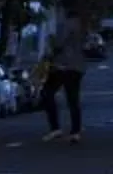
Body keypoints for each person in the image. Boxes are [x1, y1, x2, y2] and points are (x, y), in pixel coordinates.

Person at [37, 13, 87, 144]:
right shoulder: (81, 24)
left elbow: (58, 44)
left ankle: (56, 128)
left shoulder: (66, 23)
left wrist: (50, 46)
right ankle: (75, 131)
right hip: (77, 66)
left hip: (63, 66)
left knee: (47, 93)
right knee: (72, 98)